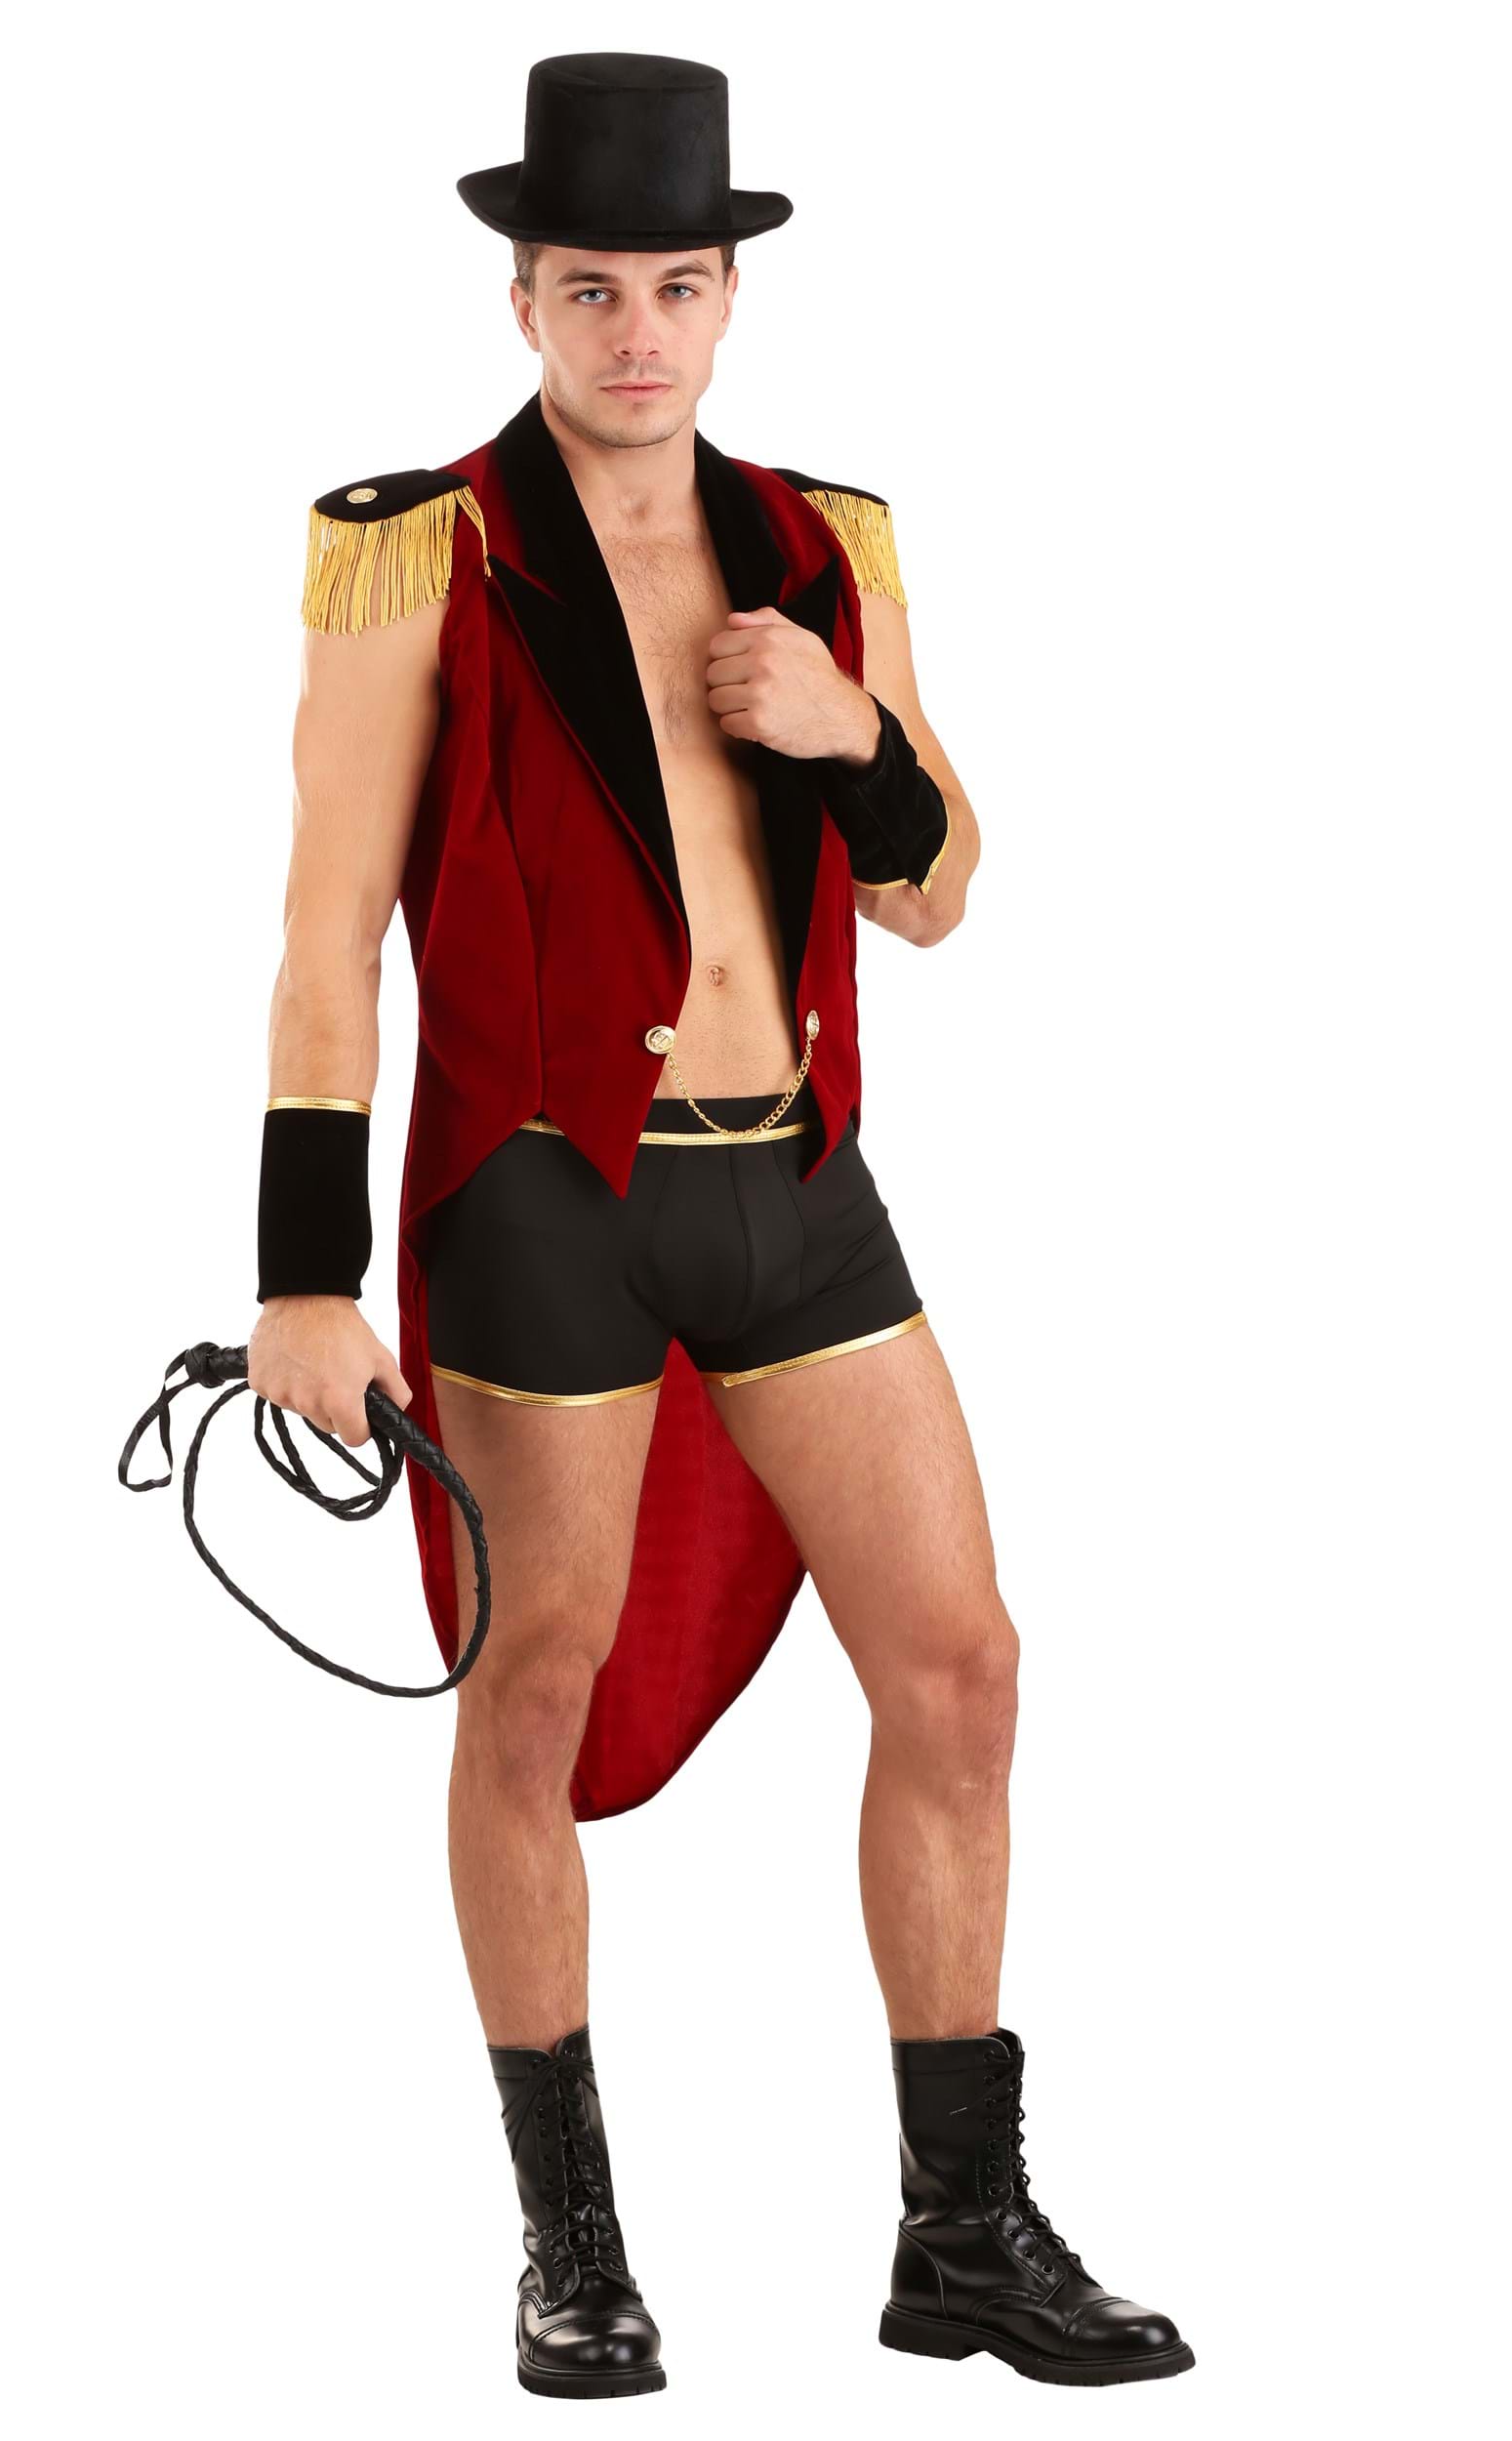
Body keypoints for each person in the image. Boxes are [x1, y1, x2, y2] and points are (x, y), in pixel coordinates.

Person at [247, 49, 1193, 2398]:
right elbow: (323, 934)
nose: (636, 331)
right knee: (531, 1698)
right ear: (521, 298)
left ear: (727, 295)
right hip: (543, 1189)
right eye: (590, 288)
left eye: (675, 284)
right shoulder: (418, 548)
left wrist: (843, 730)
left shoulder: (820, 544)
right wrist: (300, 1275)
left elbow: (937, 891)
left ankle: (958, 2233)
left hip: (791, 1179)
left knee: (959, 1666)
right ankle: (569, 2247)